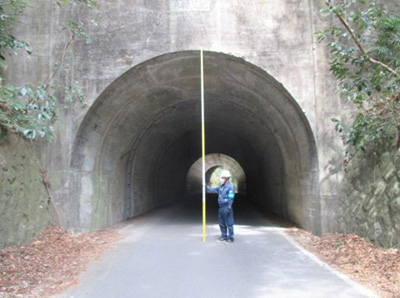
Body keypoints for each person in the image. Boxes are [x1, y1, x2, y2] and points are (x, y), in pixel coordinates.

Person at [207, 169, 235, 243]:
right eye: (221, 177)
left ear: (226, 178)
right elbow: (214, 190)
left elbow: (231, 198)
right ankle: (224, 236)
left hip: (226, 207)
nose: (221, 179)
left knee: (229, 223)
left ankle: (231, 237)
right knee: (221, 223)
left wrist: (229, 207)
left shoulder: (230, 187)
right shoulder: (221, 186)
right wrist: (206, 187)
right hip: (221, 207)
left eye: (222, 177)